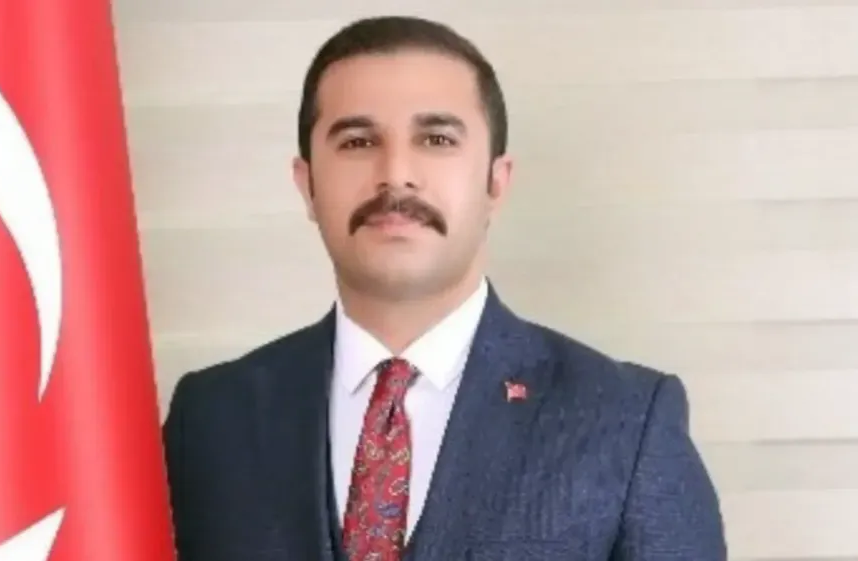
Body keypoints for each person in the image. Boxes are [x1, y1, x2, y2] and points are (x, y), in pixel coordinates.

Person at [162, 15, 727, 561]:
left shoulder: (626, 422)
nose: (395, 174)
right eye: (357, 142)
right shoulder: (209, 420)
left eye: (435, 139)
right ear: (307, 185)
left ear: (496, 183)